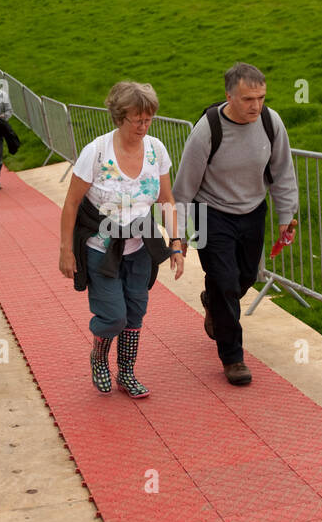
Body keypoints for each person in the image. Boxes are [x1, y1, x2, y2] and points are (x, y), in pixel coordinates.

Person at [172, 62, 298, 386]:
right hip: (209, 212)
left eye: (261, 97)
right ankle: (233, 358)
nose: (256, 106)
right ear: (229, 96)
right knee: (225, 280)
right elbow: (184, 187)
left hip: (253, 209)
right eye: (247, 99)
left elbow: (283, 172)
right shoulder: (207, 130)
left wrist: (286, 217)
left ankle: (213, 302)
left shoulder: (271, 123)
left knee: (244, 278)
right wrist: (179, 235)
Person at [59, 81, 185, 397]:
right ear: (119, 117)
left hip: (140, 248)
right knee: (114, 316)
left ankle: (126, 373)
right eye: (137, 119)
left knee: (135, 312)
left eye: (148, 119)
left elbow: (167, 200)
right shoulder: (97, 152)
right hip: (101, 249)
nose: (143, 126)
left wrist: (177, 243)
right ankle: (99, 358)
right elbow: (72, 202)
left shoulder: (157, 150)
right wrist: (65, 250)